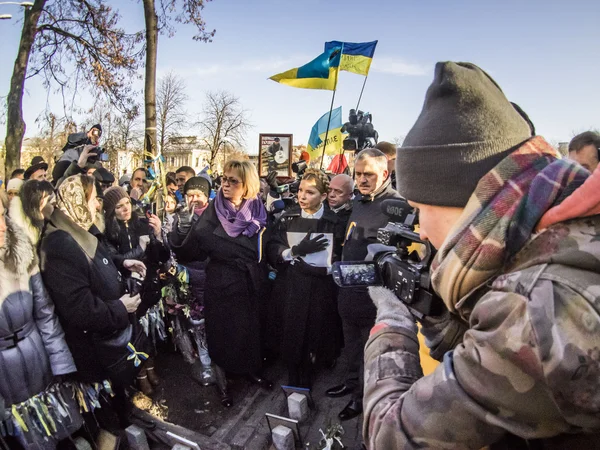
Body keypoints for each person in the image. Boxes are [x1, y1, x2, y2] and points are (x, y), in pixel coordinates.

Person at [364, 61, 600, 449]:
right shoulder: (553, 233)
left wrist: (392, 324)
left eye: (420, 209)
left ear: (465, 201)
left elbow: (391, 436)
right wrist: (437, 315)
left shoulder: (539, 307)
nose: (420, 229)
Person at [170, 160, 271, 407]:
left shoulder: (258, 209)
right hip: (222, 283)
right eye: (223, 179)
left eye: (232, 180)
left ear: (247, 185)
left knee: (248, 331)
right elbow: (193, 250)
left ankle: (250, 370)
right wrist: (182, 230)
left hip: (248, 283)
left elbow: (265, 245)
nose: (225, 184)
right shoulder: (213, 211)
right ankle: (223, 383)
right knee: (222, 334)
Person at [39, 175, 144, 391]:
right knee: (105, 399)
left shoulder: (78, 229)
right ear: (77, 200)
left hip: (103, 339)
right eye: (95, 198)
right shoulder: (59, 244)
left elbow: (96, 258)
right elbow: (79, 308)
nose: (99, 205)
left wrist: (123, 262)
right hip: (92, 348)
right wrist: (120, 308)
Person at [325, 148, 404, 421]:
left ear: (385, 173)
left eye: (368, 174)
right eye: (358, 174)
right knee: (351, 346)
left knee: (368, 351)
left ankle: (362, 399)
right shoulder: (358, 201)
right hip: (348, 289)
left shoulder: (398, 205)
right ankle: (351, 384)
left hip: (375, 295)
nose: (362, 179)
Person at [0, 191, 80, 449]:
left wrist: (60, 362)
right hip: (4, 381)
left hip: (38, 363)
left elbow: (44, 313)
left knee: (54, 433)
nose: (2, 226)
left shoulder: (22, 251)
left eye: (2, 215)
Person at [267, 169, 345, 387]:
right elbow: (273, 246)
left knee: (316, 329)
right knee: (292, 329)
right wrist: (294, 251)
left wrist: (326, 270)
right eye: (300, 190)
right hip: (292, 284)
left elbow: (342, 254)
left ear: (322, 196)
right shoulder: (288, 218)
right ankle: (293, 371)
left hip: (321, 287)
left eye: (309, 192)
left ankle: (313, 367)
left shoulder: (335, 222)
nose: (301, 196)